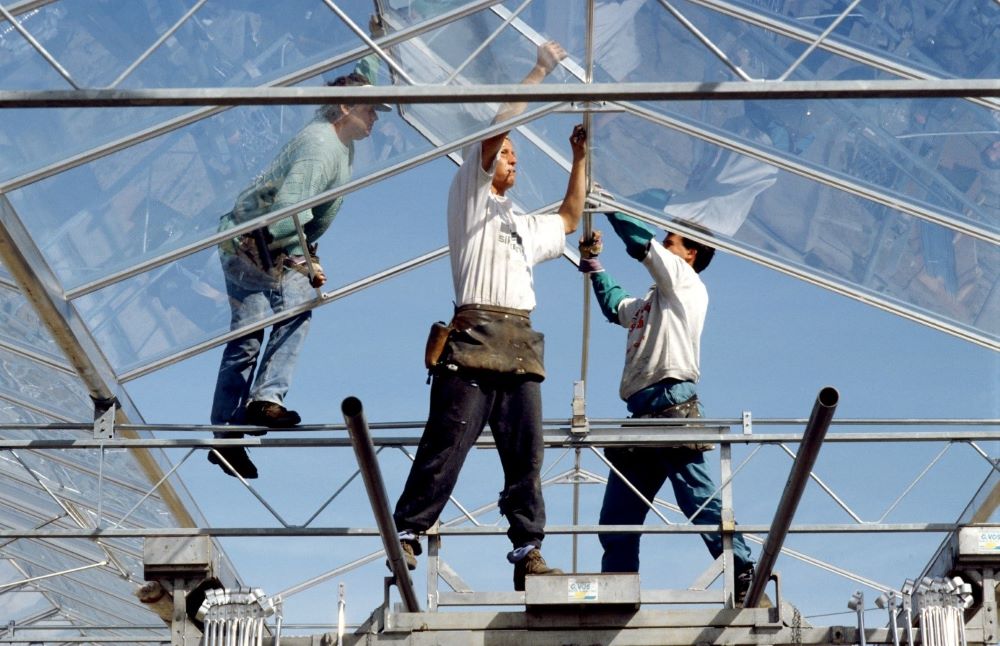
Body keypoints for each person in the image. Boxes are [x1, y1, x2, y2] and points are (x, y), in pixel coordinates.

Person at [391, 41, 588, 591]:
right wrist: (540, 70)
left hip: (518, 343)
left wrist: (579, 158)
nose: (512, 159)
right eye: (507, 153)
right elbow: (499, 124)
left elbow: (570, 216)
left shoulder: (524, 225)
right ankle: (407, 531)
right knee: (447, 441)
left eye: (515, 157)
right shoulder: (471, 192)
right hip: (474, 336)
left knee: (526, 453)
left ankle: (528, 549)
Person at [209, 20, 389, 479]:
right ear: (346, 108)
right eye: (370, 111)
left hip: (277, 243)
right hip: (252, 242)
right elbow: (285, 211)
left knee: (296, 305)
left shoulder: (335, 133)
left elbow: (359, 83)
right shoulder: (320, 147)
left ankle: (264, 402)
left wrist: (376, 42)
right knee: (250, 333)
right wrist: (307, 262)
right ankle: (228, 434)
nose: (375, 119)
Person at [578, 212, 758, 605]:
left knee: (697, 496)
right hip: (643, 413)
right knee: (618, 517)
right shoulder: (653, 300)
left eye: (671, 241)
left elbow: (640, 242)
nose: (663, 244)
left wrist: (608, 207)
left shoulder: (685, 282)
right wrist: (594, 267)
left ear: (690, 254)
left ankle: (742, 569)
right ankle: (617, 588)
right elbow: (616, 307)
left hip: (670, 400)